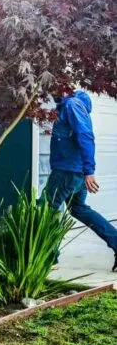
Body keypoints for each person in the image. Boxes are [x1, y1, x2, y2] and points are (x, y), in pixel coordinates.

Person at [42, 90, 117, 272]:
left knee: (45, 208)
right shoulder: (70, 105)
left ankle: (47, 258)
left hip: (68, 171)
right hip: (75, 171)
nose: (50, 91)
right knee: (78, 208)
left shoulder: (72, 105)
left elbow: (85, 136)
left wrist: (89, 171)